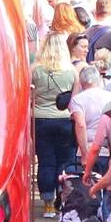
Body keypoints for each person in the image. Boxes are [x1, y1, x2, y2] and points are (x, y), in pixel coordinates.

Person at [30, 27, 78, 196]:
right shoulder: (72, 71)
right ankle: (61, 195)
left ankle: (47, 199)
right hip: (64, 119)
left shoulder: (35, 69)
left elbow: (29, 95)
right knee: (64, 160)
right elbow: (75, 100)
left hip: (39, 119)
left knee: (45, 160)